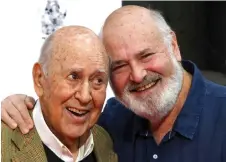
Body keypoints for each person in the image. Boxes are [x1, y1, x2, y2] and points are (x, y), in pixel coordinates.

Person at [2, 5, 226, 162]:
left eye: (146, 55)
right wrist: (21, 105)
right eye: (119, 66)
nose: (137, 75)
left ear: (174, 46)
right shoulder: (110, 122)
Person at [1, 25, 117, 162]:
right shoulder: (4, 143)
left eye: (98, 80)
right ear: (39, 79)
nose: (85, 96)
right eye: (73, 77)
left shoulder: (104, 141)